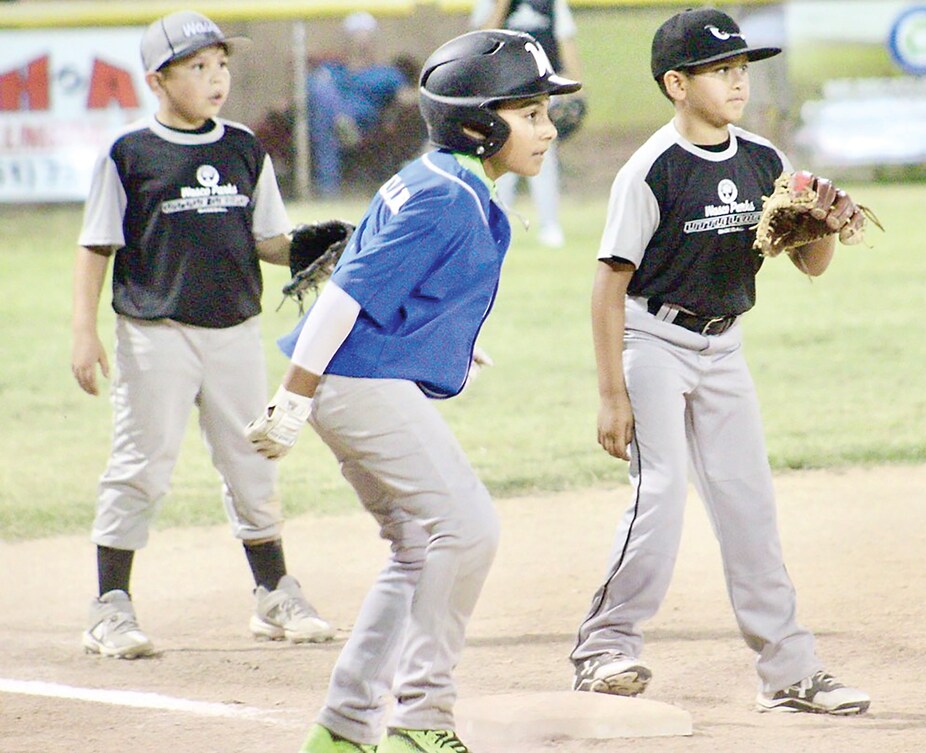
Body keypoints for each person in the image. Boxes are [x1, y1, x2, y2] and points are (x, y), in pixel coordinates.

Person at [244, 29, 581, 753]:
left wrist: (445, 338)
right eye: (529, 113)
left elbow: (378, 271)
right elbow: (344, 297)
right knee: (470, 528)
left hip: (361, 375)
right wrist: (294, 396)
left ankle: (343, 727)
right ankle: (422, 716)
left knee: (417, 546)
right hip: (354, 381)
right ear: (477, 124)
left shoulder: (435, 177)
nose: (548, 128)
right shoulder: (449, 198)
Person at [568, 8, 871, 716]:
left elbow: (810, 266)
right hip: (653, 342)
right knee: (662, 491)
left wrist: (820, 228)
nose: (737, 82)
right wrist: (613, 395)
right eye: (719, 71)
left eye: (741, 69)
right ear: (677, 83)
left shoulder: (763, 158)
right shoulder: (651, 170)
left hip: (724, 345)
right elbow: (608, 286)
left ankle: (789, 671)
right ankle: (603, 647)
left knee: (749, 503)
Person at [71, 10, 333, 659]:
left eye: (222, 65)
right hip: (154, 331)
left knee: (253, 459)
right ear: (157, 80)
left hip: (235, 329)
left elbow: (267, 240)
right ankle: (110, 606)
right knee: (141, 466)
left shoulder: (244, 146)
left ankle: (274, 592)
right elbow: (96, 244)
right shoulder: (130, 154)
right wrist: (83, 329)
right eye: (198, 67)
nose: (216, 78)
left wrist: (308, 248)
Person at [471, 0, 585, 248]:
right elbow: (480, 39)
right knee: (502, 155)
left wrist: (577, 86)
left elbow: (565, 40)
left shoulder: (551, 2)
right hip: (501, 92)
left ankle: (549, 224)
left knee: (543, 155)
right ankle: (495, 223)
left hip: (541, 90)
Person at [307, 12, 409, 197]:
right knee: (319, 86)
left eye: (365, 36)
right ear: (347, 40)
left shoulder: (385, 73)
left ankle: (327, 188)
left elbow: (406, 98)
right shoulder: (333, 70)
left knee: (322, 103)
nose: (361, 42)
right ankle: (340, 121)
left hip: (363, 125)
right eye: (356, 36)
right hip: (329, 121)